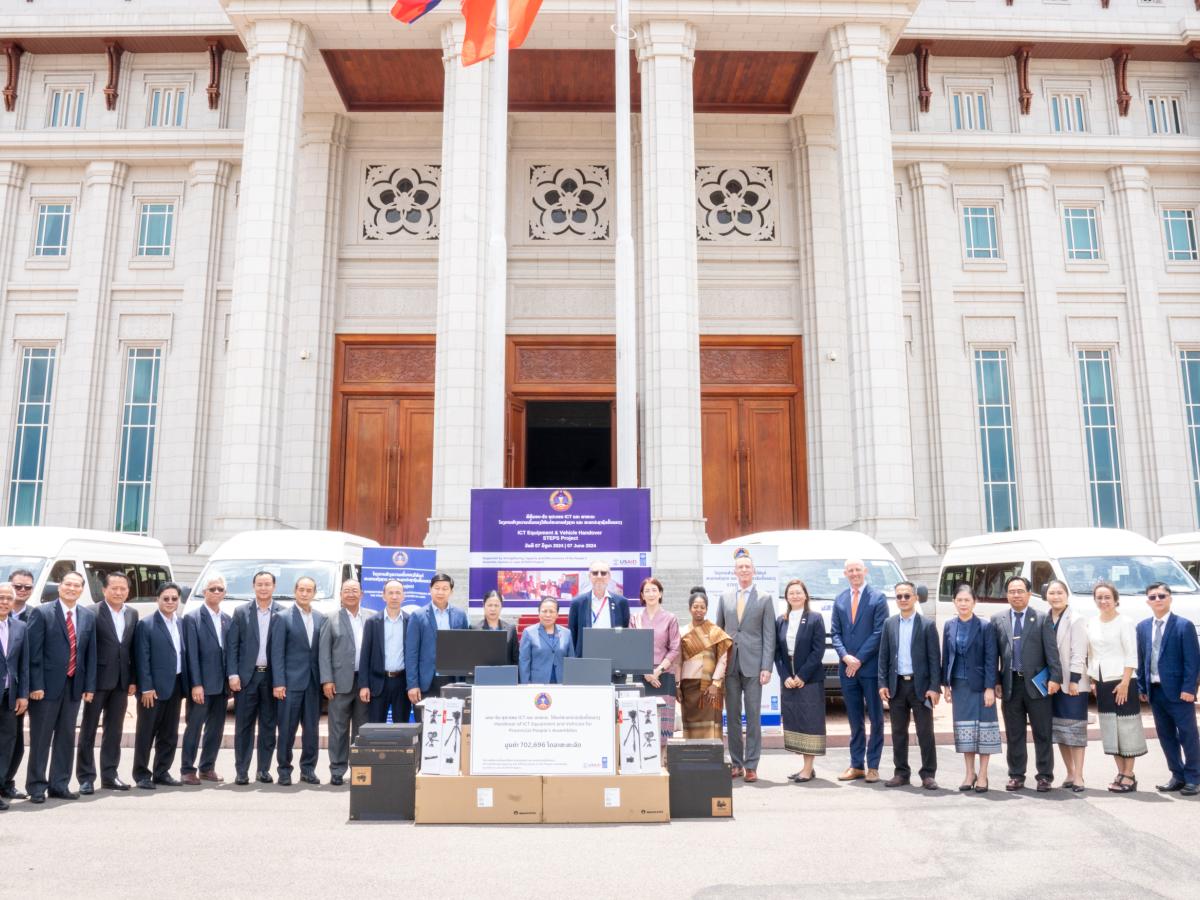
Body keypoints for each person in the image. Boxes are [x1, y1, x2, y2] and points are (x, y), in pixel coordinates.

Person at [26, 571, 96, 803]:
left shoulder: (87, 616)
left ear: (81, 589)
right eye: (68, 584)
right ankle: (36, 786)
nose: (72, 588)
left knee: (66, 737)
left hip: (74, 685)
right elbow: (33, 653)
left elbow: (90, 655)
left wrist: (89, 686)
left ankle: (59, 784)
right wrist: (35, 684)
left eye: (77, 585)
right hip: (45, 688)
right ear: (59, 587)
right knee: (41, 738)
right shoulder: (42, 613)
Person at [993, 575, 1062, 792]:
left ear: (1029, 593)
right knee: (1014, 733)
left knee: (1043, 732)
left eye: (1020, 591)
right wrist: (996, 681)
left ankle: (1044, 776)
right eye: (1012, 591)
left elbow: (1052, 652)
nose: (1016, 595)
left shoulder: (1042, 618)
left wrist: (1055, 678)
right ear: (1007, 595)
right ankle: (1016, 775)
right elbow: (994, 654)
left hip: (1038, 683)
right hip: (1010, 684)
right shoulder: (998, 619)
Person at [715, 552, 775, 783]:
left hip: (754, 665)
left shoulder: (764, 598)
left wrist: (766, 666)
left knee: (752, 717)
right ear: (734, 571)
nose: (743, 571)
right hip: (730, 665)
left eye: (747, 567)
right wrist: (718, 666)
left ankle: (752, 765)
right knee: (732, 717)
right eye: (740, 567)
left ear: (754, 571)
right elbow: (719, 633)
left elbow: (769, 635)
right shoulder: (725, 597)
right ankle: (736, 763)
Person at [76, 572, 138, 794]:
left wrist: (132, 679)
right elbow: (85, 651)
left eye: (123, 588)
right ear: (104, 590)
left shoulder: (132, 613)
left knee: (114, 731)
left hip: (121, 682)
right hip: (97, 682)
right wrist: (87, 685)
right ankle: (86, 777)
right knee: (89, 730)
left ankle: (110, 775)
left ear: (128, 591)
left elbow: (131, 649)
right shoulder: (91, 613)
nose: (119, 592)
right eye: (114, 588)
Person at [1137, 582, 1200, 795]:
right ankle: (1177, 775)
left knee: (1188, 735)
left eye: (1161, 596)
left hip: (1180, 692)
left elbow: (1193, 662)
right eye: (1153, 597)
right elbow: (1142, 658)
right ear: (1147, 601)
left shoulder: (1184, 625)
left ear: (1170, 598)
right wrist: (1142, 686)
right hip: (1155, 691)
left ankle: (1194, 777)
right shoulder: (1143, 627)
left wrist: (1190, 688)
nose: (1157, 600)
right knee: (1166, 736)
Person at [878, 580, 941, 790]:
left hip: (921, 687)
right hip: (896, 686)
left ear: (915, 597)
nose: (903, 600)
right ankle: (901, 773)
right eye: (899, 596)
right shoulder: (889, 624)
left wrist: (934, 687)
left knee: (925, 731)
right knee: (898, 732)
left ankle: (928, 774)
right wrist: (882, 683)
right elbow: (883, 657)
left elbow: (934, 659)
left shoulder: (927, 625)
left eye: (907, 596)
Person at [830, 558, 888, 783]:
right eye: (850, 571)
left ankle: (873, 766)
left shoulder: (877, 598)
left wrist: (859, 659)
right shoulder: (841, 599)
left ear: (865, 571)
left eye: (857, 570)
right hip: (848, 670)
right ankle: (857, 765)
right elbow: (835, 633)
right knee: (854, 719)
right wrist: (845, 657)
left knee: (876, 718)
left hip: (870, 669)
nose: (854, 574)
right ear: (845, 574)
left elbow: (878, 632)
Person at [1086, 580, 1145, 792]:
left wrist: (1125, 683)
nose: (1103, 601)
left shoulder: (1125, 622)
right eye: (1099, 597)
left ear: (1115, 599)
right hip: (1102, 681)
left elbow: (1131, 654)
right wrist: (1093, 680)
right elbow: (1091, 654)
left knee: (1127, 728)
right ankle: (1120, 772)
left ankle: (1129, 775)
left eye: (1107, 597)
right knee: (1111, 729)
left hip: (1123, 680)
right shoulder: (1092, 622)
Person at [226, 570, 283, 785]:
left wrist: (280, 681)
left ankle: (263, 770)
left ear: (274, 587)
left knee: (269, 726)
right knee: (244, 726)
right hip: (246, 678)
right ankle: (242, 770)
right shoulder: (241, 612)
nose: (263, 588)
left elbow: (282, 651)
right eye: (260, 584)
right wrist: (233, 674)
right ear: (254, 586)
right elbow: (232, 646)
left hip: (270, 678)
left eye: (267, 584)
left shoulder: (282, 613)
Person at [942, 584, 999, 793]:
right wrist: (945, 685)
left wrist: (990, 688)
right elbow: (946, 656)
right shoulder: (949, 625)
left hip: (981, 686)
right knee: (965, 731)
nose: (963, 604)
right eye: (960, 600)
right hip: (959, 685)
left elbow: (991, 659)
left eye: (967, 600)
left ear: (974, 602)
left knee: (984, 729)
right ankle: (969, 773)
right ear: (954, 603)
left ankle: (983, 774)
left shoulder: (985, 626)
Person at [131, 582, 187, 789]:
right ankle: (141, 774)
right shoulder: (146, 624)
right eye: (166, 598)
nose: (170, 602)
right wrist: (146, 687)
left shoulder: (181, 623)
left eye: (174, 598)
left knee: (169, 733)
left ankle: (162, 771)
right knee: (146, 733)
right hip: (152, 690)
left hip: (176, 687)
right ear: (158, 600)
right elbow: (142, 658)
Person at [272, 576, 326, 786]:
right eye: (301, 589)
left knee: (311, 729)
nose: (304, 593)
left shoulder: (321, 618)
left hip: (313, 684)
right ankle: (284, 770)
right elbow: (277, 654)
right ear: (295, 591)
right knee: (287, 728)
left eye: (309, 590)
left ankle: (308, 769)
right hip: (290, 684)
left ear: (314, 593)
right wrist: (278, 682)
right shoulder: (283, 617)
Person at [319, 579, 373, 785]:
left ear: (362, 594)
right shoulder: (330, 618)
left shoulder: (370, 618)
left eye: (355, 591)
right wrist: (327, 680)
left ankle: (359, 769)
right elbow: (324, 653)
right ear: (341, 594)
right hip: (339, 683)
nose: (351, 594)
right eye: (347, 591)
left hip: (364, 682)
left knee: (361, 729)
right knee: (338, 728)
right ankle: (337, 770)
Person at [773, 579, 825, 783]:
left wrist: (802, 676)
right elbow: (777, 652)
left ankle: (808, 767)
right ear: (786, 597)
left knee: (810, 722)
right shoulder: (781, 620)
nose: (794, 596)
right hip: (789, 679)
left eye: (798, 592)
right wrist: (785, 676)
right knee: (795, 721)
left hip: (809, 679)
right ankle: (805, 767)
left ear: (805, 595)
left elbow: (818, 650)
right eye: (791, 593)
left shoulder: (815, 618)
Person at [181, 575, 231, 785]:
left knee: (216, 728)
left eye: (220, 589)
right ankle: (187, 769)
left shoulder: (228, 619)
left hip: (221, 686)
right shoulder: (193, 618)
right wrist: (196, 684)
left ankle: (207, 767)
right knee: (194, 727)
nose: (217, 592)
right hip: (201, 685)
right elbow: (191, 654)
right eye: (212, 589)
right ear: (204, 592)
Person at [1046, 578, 1089, 791]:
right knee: (1061, 731)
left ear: (1067, 595)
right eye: (1052, 593)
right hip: (1052, 685)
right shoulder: (1045, 618)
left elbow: (1079, 653)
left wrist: (1073, 680)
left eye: (1059, 593)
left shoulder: (1076, 619)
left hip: (1072, 685)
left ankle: (1079, 776)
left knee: (1076, 731)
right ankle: (1070, 773)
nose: (1055, 597)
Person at [406, 573, 469, 705]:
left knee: (452, 722)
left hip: (453, 680)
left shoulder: (460, 615)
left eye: (445, 588)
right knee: (426, 723)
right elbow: (411, 653)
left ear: (451, 591)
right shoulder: (418, 616)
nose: (440, 592)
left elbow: (464, 649)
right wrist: (412, 685)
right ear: (430, 589)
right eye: (437, 588)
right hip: (427, 681)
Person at [678, 590, 733, 740]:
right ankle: (693, 759)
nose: (699, 610)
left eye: (702, 607)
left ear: (706, 609)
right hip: (688, 687)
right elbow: (678, 661)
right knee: (690, 725)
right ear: (690, 608)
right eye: (695, 606)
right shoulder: (682, 632)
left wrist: (716, 683)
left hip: (710, 687)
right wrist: (677, 685)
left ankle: (712, 761)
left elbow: (723, 659)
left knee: (711, 726)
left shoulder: (715, 632)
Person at [631, 578, 681, 744]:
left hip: (664, 675)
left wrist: (657, 672)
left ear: (660, 594)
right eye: (647, 591)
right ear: (642, 596)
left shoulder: (670, 618)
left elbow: (675, 648)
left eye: (654, 590)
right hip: (641, 675)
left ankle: (664, 761)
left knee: (663, 723)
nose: (651, 594)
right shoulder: (635, 618)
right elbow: (631, 648)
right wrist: (646, 672)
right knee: (642, 719)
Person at [2, 569, 34, 800]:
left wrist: (23, 694)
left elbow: (22, 665)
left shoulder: (20, 626)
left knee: (9, 743)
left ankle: (3, 784)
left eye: (8, 599)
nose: (5, 602)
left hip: (11, 695)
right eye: (1, 598)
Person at [359, 579, 411, 725]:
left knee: (401, 726)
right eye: (390, 593)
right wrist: (364, 685)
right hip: (378, 683)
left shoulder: (411, 621)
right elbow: (365, 656)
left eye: (398, 593)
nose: (394, 596)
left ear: (403, 596)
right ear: (383, 596)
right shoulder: (372, 622)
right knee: (376, 727)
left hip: (403, 682)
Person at [568, 560, 631, 657]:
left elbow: (625, 633)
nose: (599, 576)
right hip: (586, 658)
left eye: (603, 573)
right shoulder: (577, 603)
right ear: (589, 576)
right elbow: (572, 634)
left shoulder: (621, 602)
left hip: (613, 656)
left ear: (609, 577)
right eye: (595, 573)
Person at [518, 598, 574, 683]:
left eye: (551, 611)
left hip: (562, 684)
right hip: (537, 684)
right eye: (544, 611)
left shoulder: (566, 633)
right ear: (539, 613)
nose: (548, 615)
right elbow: (524, 662)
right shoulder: (529, 632)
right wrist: (526, 686)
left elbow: (571, 661)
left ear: (557, 614)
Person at [474, 590, 518, 666]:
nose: (493, 609)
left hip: (505, 675)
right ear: (483, 606)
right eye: (490, 605)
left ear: (501, 607)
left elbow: (515, 658)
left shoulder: (511, 629)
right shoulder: (475, 629)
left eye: (496, 605)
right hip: (483, 675)